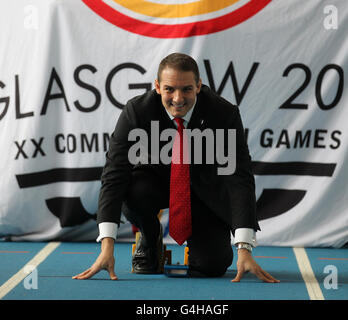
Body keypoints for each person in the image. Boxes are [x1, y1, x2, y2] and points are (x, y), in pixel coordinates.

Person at [73, 53, 279, 283]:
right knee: (132, 191)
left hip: (204, 194)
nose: (178, 98)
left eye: (187, 89)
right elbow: (113, 175)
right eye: (170, 89)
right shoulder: (137, 112)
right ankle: (150, 239)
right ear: (157, 87)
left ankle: (203, 248)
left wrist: (244, 249)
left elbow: (239, 179)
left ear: (198, 86)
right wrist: (106, 247)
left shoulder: (223, 114)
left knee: (212, 266)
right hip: (154, 185)